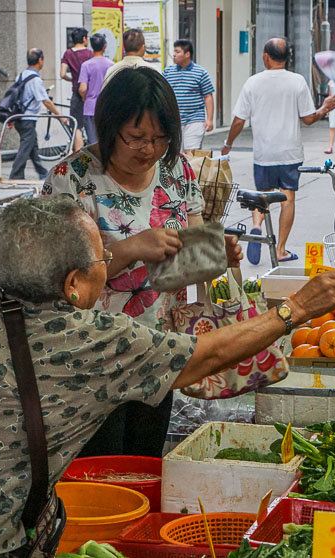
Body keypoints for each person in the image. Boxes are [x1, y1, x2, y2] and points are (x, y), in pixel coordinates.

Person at [0, 194, 335, 557]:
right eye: (102, 258)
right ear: (74, 285)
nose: (108, 263)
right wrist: (294, 310)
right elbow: (207, 355)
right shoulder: (96, 340)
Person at [43, 66, 241, 458]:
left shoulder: (177, 170)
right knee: (104, 473)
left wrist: (217, 254)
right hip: (90, 358)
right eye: (136, 138)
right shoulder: (71, 178)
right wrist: (132, 248)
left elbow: (191, 257)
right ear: (109, 125)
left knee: (145, 466)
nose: (149, 149)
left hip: (159, 352)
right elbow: (57, 279)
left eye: (159, 138)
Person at [221, 37, 335, 265]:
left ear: (266, 56)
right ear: (287, 58)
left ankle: (257, 226)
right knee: (288, 198)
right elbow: (307, 119)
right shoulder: (297, 81)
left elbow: (238, 120)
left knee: (261, 197)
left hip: (264, 153)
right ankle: (281, 250)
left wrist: (228, 143)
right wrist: (324, 108)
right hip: (290, 153)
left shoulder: (253, 82)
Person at [9, 48, 66, 181]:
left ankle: (42, 172)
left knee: (32, 146)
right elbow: (45, 100)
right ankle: (15, 175)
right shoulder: (35, 79)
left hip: (19, 117)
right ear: (40, 60)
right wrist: (60, 115)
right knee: (26, 147)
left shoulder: (21, 75)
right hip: (28, 118)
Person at [163, 39, 214, 154]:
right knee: (175, 155)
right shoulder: (167, 72)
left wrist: (209, 119)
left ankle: (192, 172)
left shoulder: (200, 73)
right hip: (174, 121)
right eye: (174, 51)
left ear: (187, 54)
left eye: (177, 52)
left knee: (191, 154)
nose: (174, 55)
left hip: (194, 120)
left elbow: (208, 96)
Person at [60, 27, 92, 151]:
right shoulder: (90, 53)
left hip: (76, 93)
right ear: (84, 39)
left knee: (76, 126)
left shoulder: (68, 53)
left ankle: (80, 155)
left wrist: (72, 79)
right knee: (91, 125)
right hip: (90, 94)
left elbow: (62, 74)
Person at [78, 33, 114, 144]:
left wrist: (85, 97)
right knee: (106, 141)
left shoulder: (86, 65)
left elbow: (82, 88)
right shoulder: (111, 65)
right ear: (104, 46)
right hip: (107, 108)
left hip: (90, 107)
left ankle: (94, 161)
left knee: (93, 143)